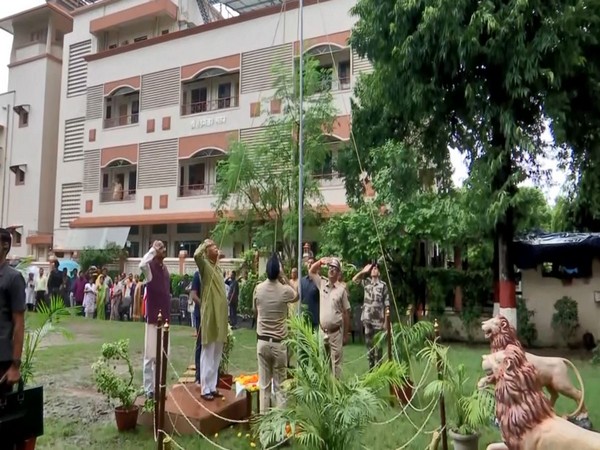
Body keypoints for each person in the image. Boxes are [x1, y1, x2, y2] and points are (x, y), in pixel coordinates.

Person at [254, 254, 298, 413]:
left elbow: (255, 309)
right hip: (279, 344)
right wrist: (285, 277)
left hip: (262, 342)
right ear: (278, 271)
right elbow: (297, 296)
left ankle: (265, 430)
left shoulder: (258, 288)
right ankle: (280, 431)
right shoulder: (285, 290)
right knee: (280, 388)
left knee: (264, 387)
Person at [194, 239, 228, 401]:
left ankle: (213, 386)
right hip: (210, 314)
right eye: (213, 247)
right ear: (207, 251)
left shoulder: (218, 268)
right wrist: (204, 244)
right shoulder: (205, 266)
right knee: (208, 350)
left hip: (220, 315)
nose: (217, 248)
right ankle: (205, 387)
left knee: (217, 351)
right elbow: (196, 255)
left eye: (216, 245)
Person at [308, 257, 351, 378]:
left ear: (338, 273)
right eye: (330, 267)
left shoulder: (341, 290)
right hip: (323, 332)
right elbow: (311, 271)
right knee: (323, 366)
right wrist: (320, 262)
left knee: (336, 367)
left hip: (336, 333)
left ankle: (336, 395)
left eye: (335, 268)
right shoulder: (322, 283)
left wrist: (346, 334)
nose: (331, 270)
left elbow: (347, 313)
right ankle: (326, 392)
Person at [139, 240, 171, 398]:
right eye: (159, 247)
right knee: (150, 355)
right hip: (153, 319)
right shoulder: (149, 268)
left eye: (162, 247)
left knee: (162, 355)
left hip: (165, 320)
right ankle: (148, 389)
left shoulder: (165, 270)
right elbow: (141, 264)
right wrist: (152, 250)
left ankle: (159, 386)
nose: (162, 249)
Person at [0, 228, 26, 396]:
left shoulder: (13, 278)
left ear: (5, 245)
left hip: (2, 360)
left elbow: (19, 323)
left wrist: (15, 365)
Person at [352, 262, 390, 370]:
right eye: (373, 268)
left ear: (379, 272)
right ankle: (371, 368)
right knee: (369, 345)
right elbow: (354, 280)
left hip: (379, 319)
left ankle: (379, 368)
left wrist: (386, 322)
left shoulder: (383, 285)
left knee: (378, 345)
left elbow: (387, 304)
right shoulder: (366, 283)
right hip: (367, 318)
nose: (374, 270)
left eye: (376, 268)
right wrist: (363, 271)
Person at [189, 270, 202, 384]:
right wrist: (204, 304)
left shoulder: (214, 272)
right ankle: (198, 375)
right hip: (201, 315)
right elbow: (193, 295)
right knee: (201, 344)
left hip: (212, 316)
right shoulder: (198, 275)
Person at [300, 257, 319, 330]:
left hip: (315, 317)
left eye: (312, 262)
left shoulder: (318, 280)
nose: (310, 264)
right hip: (304, 316)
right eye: (308, 262)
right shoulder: (302, 281)